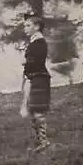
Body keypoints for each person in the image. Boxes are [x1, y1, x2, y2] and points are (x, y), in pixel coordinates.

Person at [21, 12, 52, 152]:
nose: (25, 28)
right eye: (24, 26)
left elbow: (37, 60)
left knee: (38, 111)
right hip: (33, 77)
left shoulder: (40, 42)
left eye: (28, 25)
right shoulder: (34, 41)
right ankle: (40, 141)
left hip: (39, 77)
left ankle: (44, 141)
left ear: (37, 26)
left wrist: (25, 61)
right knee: (33, 110)